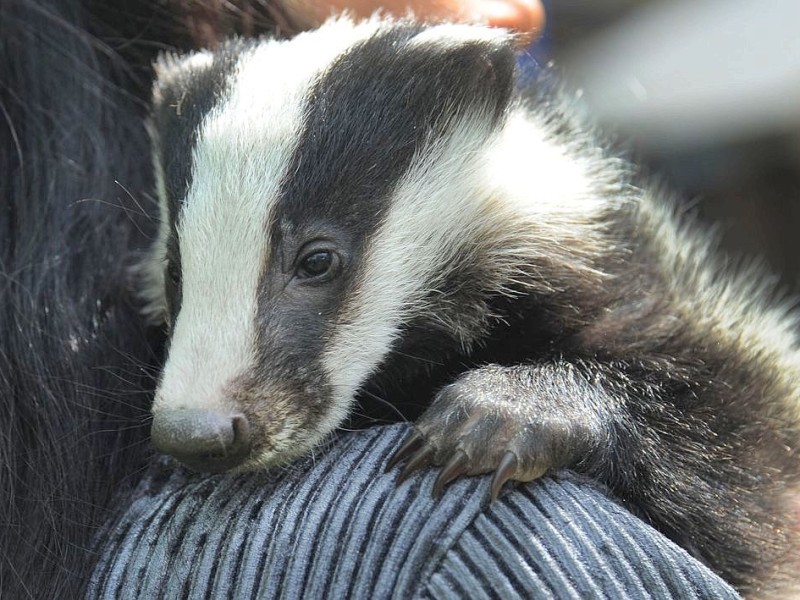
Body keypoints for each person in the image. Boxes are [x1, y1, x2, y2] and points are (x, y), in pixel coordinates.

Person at [0, 1, 738, 597]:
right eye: (185, 279)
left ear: (470, 121)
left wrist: (585, 402)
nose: (191, 413)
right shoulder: (450, 549)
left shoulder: (606, 301)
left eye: (314, 266)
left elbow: (745, 480)